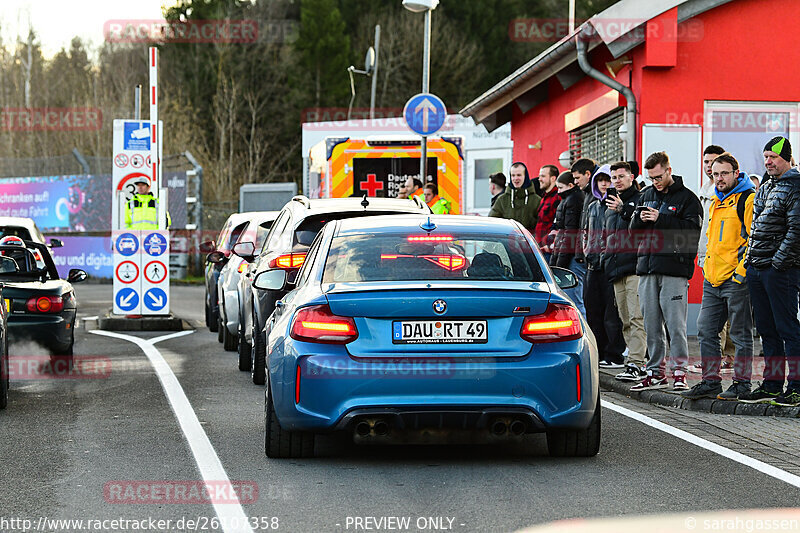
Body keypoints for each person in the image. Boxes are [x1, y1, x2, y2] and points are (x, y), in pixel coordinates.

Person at [682, 153, 755, 401]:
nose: (719, 178)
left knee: (740, 334)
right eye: (715, 174)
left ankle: (742, 384)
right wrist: (704, 266)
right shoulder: (714, 200)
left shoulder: (747, 198)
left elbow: (754, 240)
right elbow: (710, 239)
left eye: (724, 173)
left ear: (736, 172)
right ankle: (710, 382)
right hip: (713, 279)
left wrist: (740, 274)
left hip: (735, 280)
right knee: (705, 329)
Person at [629, 151, 702, 392]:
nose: (655, 182)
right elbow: (632, 232)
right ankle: (655, 372)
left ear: (669, 170)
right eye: (651, 178)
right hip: (647, 268)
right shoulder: (646, 195)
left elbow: (691, 234)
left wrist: (661, 218)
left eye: (658, 177)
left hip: (673, 269)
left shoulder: (688, 199)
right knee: (650, 323)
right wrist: (639, 219)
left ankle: (679, 372)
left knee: (675, 324)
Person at [740, 136, 800, 406]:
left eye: (773, 157)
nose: (768, 162)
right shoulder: (765, 186)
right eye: (765, 157)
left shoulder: (795, 187)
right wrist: (750, 261)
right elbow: (755, 227)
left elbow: (795, 231)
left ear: (787, 159)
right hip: (757, 268)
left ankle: (796, 387)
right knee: (767, 330)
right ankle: (772, 385)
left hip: (780, 271)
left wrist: (777, 263)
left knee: (788, 329)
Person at [693, 145, 735, 375]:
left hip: (725, 259)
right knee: (716, 314)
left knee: (722, 314)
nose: (709, 166)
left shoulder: (728, 190)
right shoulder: (705, 188)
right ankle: (723, 356)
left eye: (713, 162)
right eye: (706, 162)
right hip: (707, 255)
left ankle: (722, 357)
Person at [604, 161, 648, 382]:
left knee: (636, 316)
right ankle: (632, 360)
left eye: (621, 176)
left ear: (632, 177)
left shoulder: (640, 200)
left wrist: (623, 209)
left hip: (634, 267)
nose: (617, 181)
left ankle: (639, 363)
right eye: (614, 177)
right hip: (615, 267)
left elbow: (640, 228)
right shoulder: (611, 205)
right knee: (625, 319)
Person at [583, 164, 626, 368]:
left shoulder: (618, 205)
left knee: (612, 315)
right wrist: (586, 252)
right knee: (593, 312)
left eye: (607, 180)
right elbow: (586, 233)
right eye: (600, 180)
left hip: (611, 265)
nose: (604, 184)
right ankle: (598, 352)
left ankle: (614, 354)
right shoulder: (592, 206)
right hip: (592, 266)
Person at [549, 171, 585, 316]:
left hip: (571, 258)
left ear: (570, 185)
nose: (558, 192)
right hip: (567, 255)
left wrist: (560, 264)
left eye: (561, 188)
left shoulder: (572, 201)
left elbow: (570, 234)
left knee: (575, 300)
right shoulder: (569, 200)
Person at [570, 158, 597, 313]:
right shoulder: (587, 193)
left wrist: (583, 253)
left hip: (593, 258)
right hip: (587, 256)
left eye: (577, 178)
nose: (575, 182)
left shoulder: (594, 192)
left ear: (587, 174)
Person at [488, 162, 542, 233]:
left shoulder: (536, 200)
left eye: (519, 175)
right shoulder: (502, 200)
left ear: (525, 176)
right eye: (513, 175)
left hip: (528, 242)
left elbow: (541, 226)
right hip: (507, 242)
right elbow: (492, 223)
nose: (515, 178)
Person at [534, 164, 560, 262]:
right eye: (540, 176)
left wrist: (548, 245)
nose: (539, 179)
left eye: (543, 176)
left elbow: (557, 225)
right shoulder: (544, 197)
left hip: (548, 251)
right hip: (540, 249)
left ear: (553, 178)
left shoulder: (558, 198)